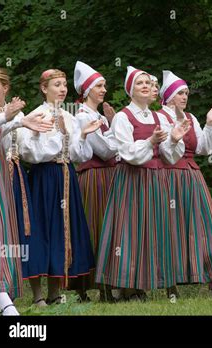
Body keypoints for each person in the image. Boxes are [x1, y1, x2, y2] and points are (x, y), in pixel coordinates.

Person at [96, 66, 186, 300]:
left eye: (148, 82)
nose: (146, 86)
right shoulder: (123, 117)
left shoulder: (159, 117)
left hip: (156, 178)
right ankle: (129, 285)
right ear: (130, 90)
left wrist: (174, 139)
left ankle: (162, 280)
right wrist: (150, 141)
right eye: (140, 83)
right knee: (131, 229)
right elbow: (127, 152)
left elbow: (169, 155)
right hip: (132, 179)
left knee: (158, 229)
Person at [19, 69, 101, 305]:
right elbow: (30, 153)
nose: (62, 89)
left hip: (66, 174)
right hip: (44, 177)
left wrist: (83, 136)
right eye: (57, 85)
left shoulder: (69, 116)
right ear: (44, 89)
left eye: (64, 85)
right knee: (41, 230)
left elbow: (77, 153)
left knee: (63, 231)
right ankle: (37, 296)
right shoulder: (35, 115)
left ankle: (55, 292)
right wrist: (42, 134)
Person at [158, 70, 212, 297]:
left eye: (187, 93)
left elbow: (204, 149)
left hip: (192, 176)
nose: (184, 97)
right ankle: (170, 286)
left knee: (208, 227)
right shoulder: (159, 117)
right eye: (180, 93)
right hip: (167, 177)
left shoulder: (190, 118)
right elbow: (162, 151)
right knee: (170, 229)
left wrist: (210, 124)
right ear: (169, 96)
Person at [0, 70, 52, 315]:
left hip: (1, 175)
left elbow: (3, 134)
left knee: (0, 232)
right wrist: (10, 117)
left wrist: (22, 122)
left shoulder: (7, 114)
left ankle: (3, 295)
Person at [72, 61, 119, 301]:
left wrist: (110, 123)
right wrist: (113, 126)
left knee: (107, 226)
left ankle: (106, 284)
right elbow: (106, 151)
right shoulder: (82, 117)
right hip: (94, 177)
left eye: (105, 86)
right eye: (99, 86)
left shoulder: (99, 116)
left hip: (107, 176)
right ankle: (93, 285)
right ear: (87, 89)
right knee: (95, 225)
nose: (104, 90)